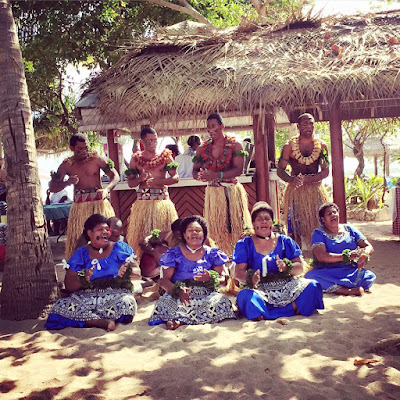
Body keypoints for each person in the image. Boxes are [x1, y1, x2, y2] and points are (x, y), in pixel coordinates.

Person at [45, 214, 139, 331]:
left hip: (116, 294)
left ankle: (90, 319)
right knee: (59, 307)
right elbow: (69, 285)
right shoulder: (81, 253)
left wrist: (126, 271)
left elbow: (137, 272)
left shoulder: (121, 248)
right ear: (90, 233)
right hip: (85, 297)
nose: (105, 232)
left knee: (127, 303)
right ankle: (99, 322)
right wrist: (83, 278)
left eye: (107, 229)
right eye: (100, 229)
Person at [233, 201, 324, 320]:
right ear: (254, 224)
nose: (264, 221)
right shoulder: (245, 244)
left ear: (272, 223)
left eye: (267, 218)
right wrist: (250, 278)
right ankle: (293, 308)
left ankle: (267, 312)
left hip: (287, 285)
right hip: (259, 288)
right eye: (259, 219)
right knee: (244, 296)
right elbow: (238, 272)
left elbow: (300, 267)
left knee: (313, 285)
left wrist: (287, 267)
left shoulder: (285, 241)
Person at [148, 215, 236, 329]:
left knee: (221, 301)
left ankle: (180, 320)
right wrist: (177, 290)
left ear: (204, 234)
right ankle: (186, 319)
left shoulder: (213, 253)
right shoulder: (173, 254)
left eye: (198, 230)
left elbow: (224, 279)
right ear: (184, 235)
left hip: (206, 295)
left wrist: (212, 279)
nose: (194, 233)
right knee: (164, 302)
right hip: (179, 295)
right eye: (190, 230)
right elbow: (164, 280)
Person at [49, 134, 119, 259]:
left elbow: (115, 176)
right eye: (79, 149)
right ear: (72, 148)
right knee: (80, 239)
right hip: (80, 208)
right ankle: (81, 265)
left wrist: (107, 189)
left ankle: (109, 262)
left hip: (99, 205)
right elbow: (53, 187)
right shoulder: (66, 165)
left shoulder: (97, 159)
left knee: (105, 236)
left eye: (85, 148)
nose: (84, 151)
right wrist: (67, 183)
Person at [193, 113, 251, 255]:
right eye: (208, 127)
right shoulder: (202, 148)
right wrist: (200, 176)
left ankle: (239, 256)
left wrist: (216, 175)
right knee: (217, 230)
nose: (210, 130)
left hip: (232, 191)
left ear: (222, 126)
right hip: (213, 194)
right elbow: (194, 171)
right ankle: (219, 256)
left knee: (237, 228)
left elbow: (238, 170)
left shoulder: (235, 145)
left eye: (213, 126)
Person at [277, 113, 330, 248]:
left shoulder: (322, 147)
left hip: (315, 191)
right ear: (298, 126)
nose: (309, 127)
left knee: (321, 224)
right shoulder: (288, 147)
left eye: (311, 124)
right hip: (296, 191)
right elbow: (280, 170)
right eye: (305, 124)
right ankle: (296, 254)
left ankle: (320, 253)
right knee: (294, 227)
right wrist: (291, 179)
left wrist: (308, 179)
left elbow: (326, 171)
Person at [125, 127, 179, 259]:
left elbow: (176, 178)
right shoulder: (136, 159)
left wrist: (159, 181)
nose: (153, 143)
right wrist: (140, 179)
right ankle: (142, 262)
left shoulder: (165, 156)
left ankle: (168, 261)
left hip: (162, 202)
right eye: (149, 141)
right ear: (142, 142)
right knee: (142, 236)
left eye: (154, 140)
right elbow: (131, 183)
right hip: (143, 203)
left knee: (165, 237)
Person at [305, 202, 376, 296]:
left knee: (369, 276)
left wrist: (364, 255)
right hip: (328, 271)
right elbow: (321, 257)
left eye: (335, 212)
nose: (333, 215)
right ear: (323, 219)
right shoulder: (318, 233)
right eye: (329, 214)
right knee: (310, 276)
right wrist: (347, 256)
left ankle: (340, 286)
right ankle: (345, 290)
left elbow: (368, 246)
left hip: (349, 270)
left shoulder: (349, 229)